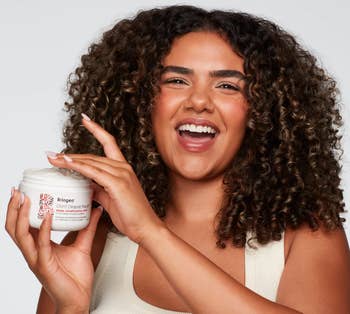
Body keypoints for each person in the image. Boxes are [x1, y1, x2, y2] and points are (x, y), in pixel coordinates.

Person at [5, 5, 350, 314]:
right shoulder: (93, 238)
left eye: (227, 86)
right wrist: (70, 307)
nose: (198, 101)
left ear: (261, 110)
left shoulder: (306, 236)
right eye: (176, 80)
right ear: (141, 102)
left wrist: (150, 232)